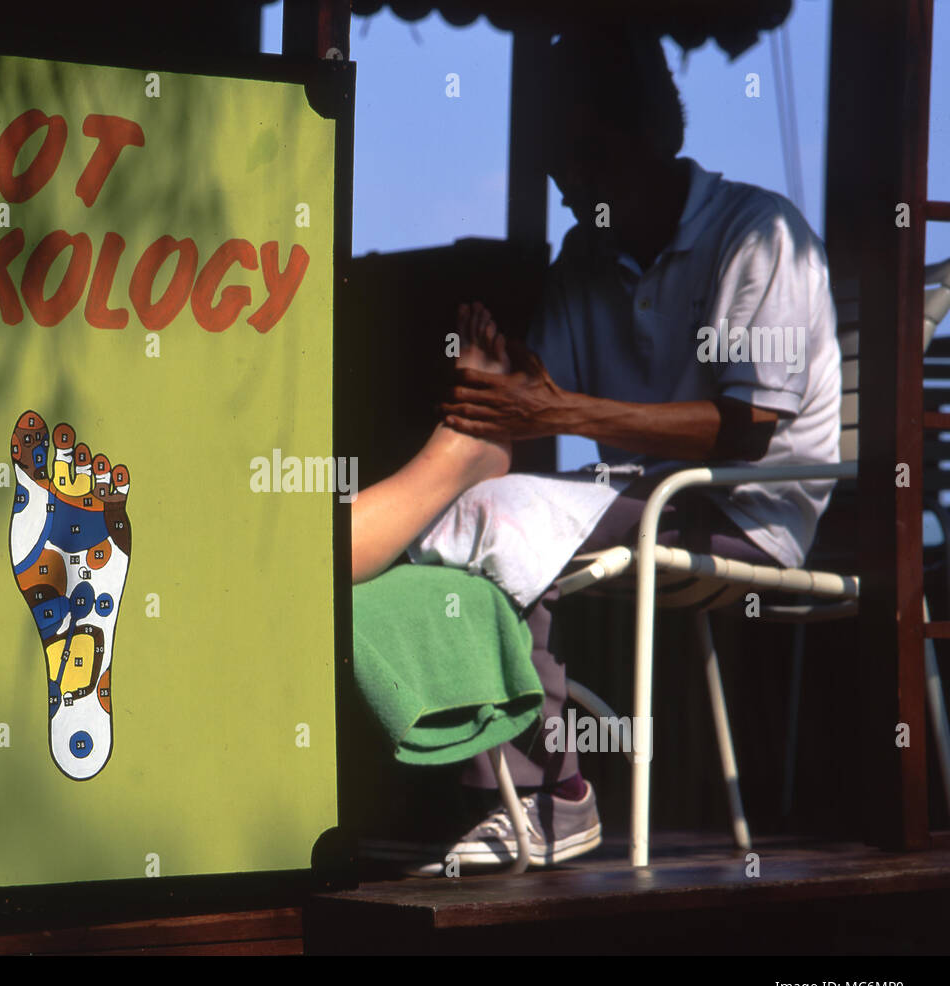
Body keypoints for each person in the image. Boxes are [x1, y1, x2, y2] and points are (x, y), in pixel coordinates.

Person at [350, 26, 842, 869]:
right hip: (644, 496)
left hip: (745, 507)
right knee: (485, 511)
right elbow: (547, 406)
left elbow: (746, 430)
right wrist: (505, 387)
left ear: (646, 141)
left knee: (493, 516)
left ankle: (555, 794)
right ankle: (506, 785)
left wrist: (544, 406)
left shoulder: (758, 233)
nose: (568, 185)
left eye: (584, 160)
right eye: (558, 164)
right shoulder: (587, 257)